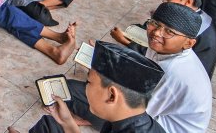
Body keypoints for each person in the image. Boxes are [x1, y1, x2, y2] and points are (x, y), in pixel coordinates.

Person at [67, 3, 212, 133]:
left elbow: (135, 110)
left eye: (169, 32)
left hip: (158, 127)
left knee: (72, 90)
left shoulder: (174, 73)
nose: (156, 32)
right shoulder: (164, 49)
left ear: (189, 43)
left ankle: (92, 120)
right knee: (88, 87)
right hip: (151, 114)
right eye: (155, 23)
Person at [9, 41, 166, 133]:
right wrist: (68, 122)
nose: (85, 88)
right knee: (52, 124)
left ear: (112, 96)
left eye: (89, 82)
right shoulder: (126, 118)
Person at [111, 0, 216, 77]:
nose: (163, 1)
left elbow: (161, 57)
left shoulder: (194, 29)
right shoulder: (187, 14)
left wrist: (125, 42)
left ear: (188, 2)